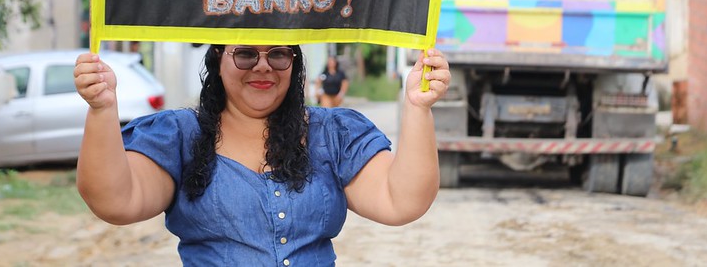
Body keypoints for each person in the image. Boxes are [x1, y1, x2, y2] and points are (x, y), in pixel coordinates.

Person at [73, 44, 450, 266]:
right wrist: (102, 109)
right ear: (218, 61)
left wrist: (417, 107)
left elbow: (402, 202)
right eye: (246, 55)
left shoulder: (333, 134)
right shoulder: (179, 137)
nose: (263, 66)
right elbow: (116, 201)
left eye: (279, 55)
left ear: (295, 65)